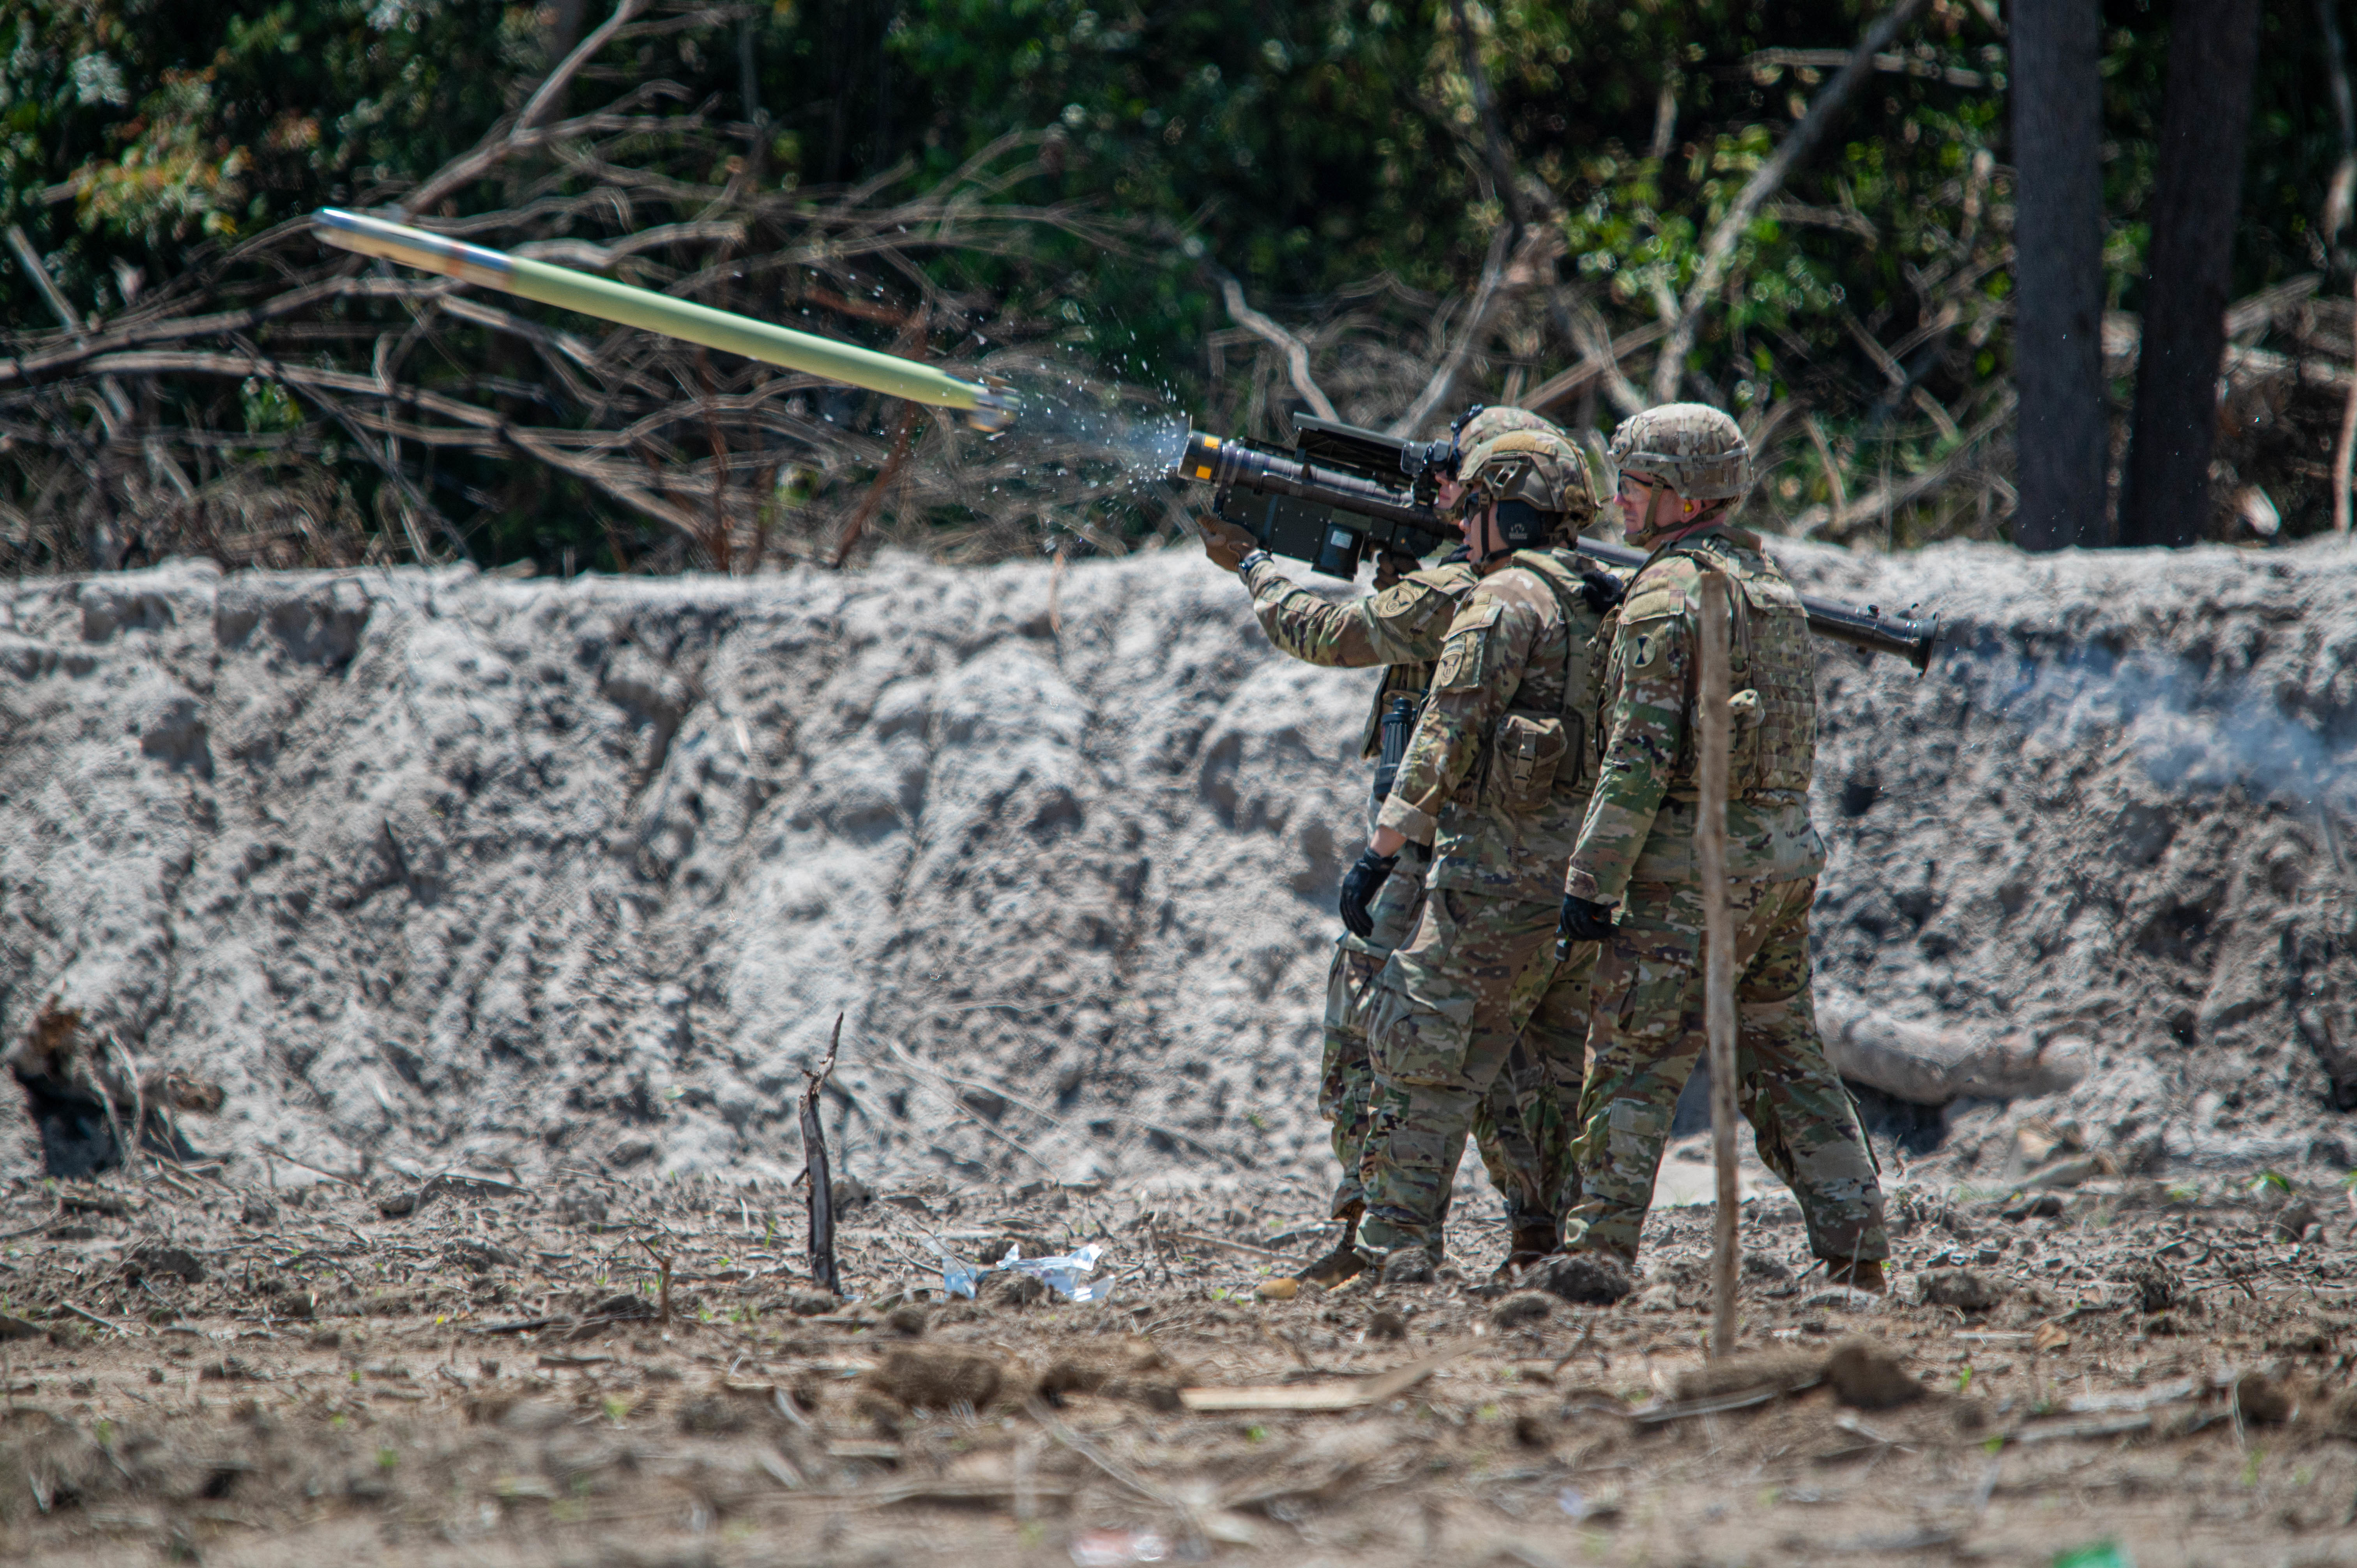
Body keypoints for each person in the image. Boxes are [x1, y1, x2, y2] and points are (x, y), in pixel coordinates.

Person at [1197, 406, 1567, 1286]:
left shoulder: (1472, 588)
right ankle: (1537, 1235)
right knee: (1510, 1059)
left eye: (1459, 476)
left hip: (1433, 853)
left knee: (1375, 1028)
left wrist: (1252, 565)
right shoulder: (1536, 586)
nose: (1442, 489)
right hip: (1505, 859)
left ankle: (1378, 1233)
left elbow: (1327, 632)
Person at [1552, 403, 1889, 1292]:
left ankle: (1595, 1259)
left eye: (1636, 484)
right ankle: (1858, 1247)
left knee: (1634, 1058)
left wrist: (1591, 880)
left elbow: (1638, 754)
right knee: (1787, 1059)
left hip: (1691, 874)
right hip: (1779, 862)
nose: (1619, 499)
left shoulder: (1667, 592)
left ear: (1684, 497)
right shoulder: (1769, 586)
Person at [1345, 427, 1626, 1284]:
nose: (1462, 527)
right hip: (1579, 889)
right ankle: (1547, 1248)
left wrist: (1381, 852)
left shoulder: (1503, 599)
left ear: (1512, 511)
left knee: (1421, 1053)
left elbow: (1447, 732)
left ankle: (1395, 1247)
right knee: (1548, 1076)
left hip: (1491, 882)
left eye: (1474, 508)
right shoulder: (1606, 600)